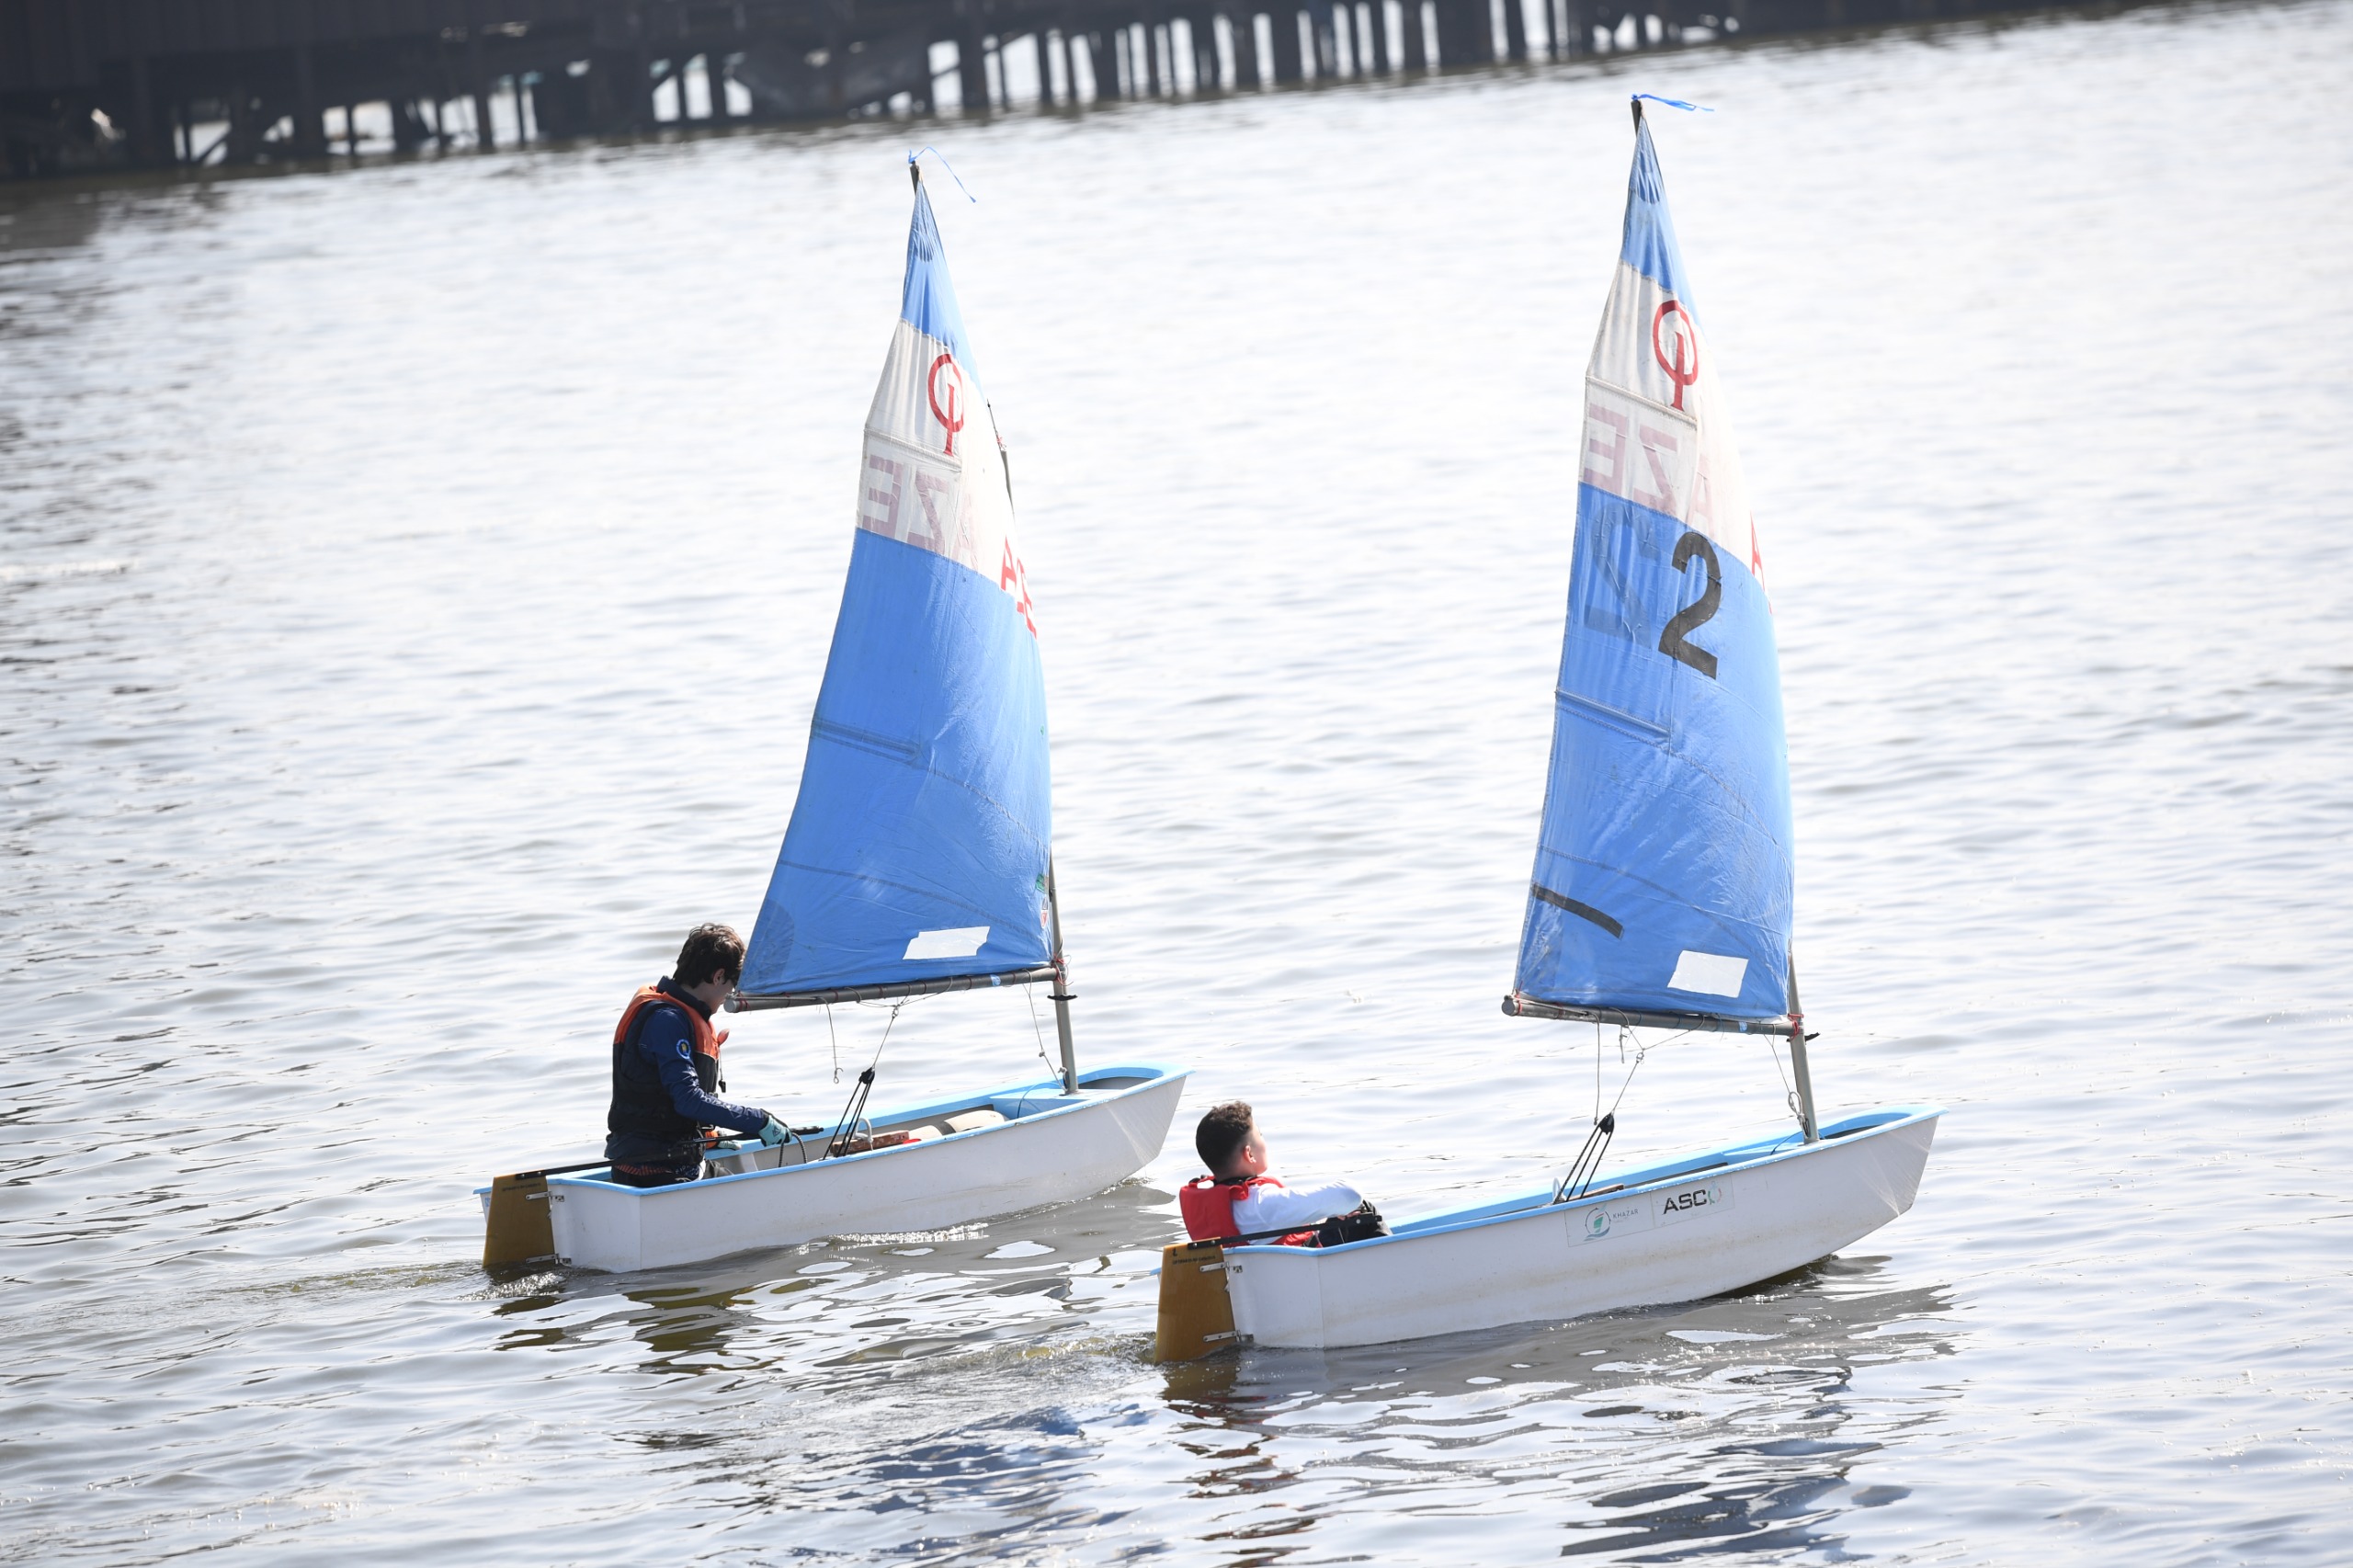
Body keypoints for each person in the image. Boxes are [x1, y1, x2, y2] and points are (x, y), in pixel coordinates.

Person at [604, 923, 790, 1187]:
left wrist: (707, 1136)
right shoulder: (667, 1021)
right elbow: (688, 1100)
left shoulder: (677, 1015)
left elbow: (668, 1098)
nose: (730, 996)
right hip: (652, 1170)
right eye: (732, 986)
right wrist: (758, 1121)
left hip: (679, 1158)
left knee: (749, 1189)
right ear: (718, 976)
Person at [1178, 1100, 1387, 1246]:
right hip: (1303, 1278)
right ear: (1249, 1154)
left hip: (1256, 1276)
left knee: (1337, 1216)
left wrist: (1326, 1213)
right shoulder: (1261, 1202)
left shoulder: (1216, 1202)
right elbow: (1349, 1194)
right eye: (1260, 1135)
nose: (1264, 1141)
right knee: (1362, 1207)